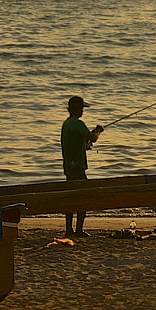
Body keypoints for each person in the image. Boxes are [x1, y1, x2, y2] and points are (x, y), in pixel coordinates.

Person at [61, 95, 102, 236]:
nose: (83, 111)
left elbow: (79, 141)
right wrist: (98, 130)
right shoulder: (78, 123)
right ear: (78, 109)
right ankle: (78, 230)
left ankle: (69, 229)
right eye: (82, 108)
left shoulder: (66, 124)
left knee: (70, 196)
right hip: (77, 166)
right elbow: (92, 138)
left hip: (68, 165)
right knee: (83, 196)